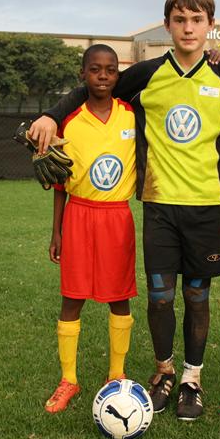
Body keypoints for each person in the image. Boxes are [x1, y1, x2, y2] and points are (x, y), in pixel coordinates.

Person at [29, 0, 220, 421]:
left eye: (197, 20)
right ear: (168, 25)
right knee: (159, 297)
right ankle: (164, 372)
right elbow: (96, 89)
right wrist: (51, 115)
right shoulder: (146, 74)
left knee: (197, 295)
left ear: (211, 26)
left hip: (207, 208)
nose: (188, 28)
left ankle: (192, 378)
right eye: (180, 20)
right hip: (159, 206)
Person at [43, 44, 138, 414]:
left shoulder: (132, 115)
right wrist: (56, 231)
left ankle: (116, 373)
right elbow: (60, 182)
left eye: (110, 69)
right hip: (79, 215)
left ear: (118, 75)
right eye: (95, 69)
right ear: (82, 74)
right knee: (72, 297)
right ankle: (69, 378)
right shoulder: (69, 120)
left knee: (119, 296)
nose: (103, 75)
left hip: (117, 216)